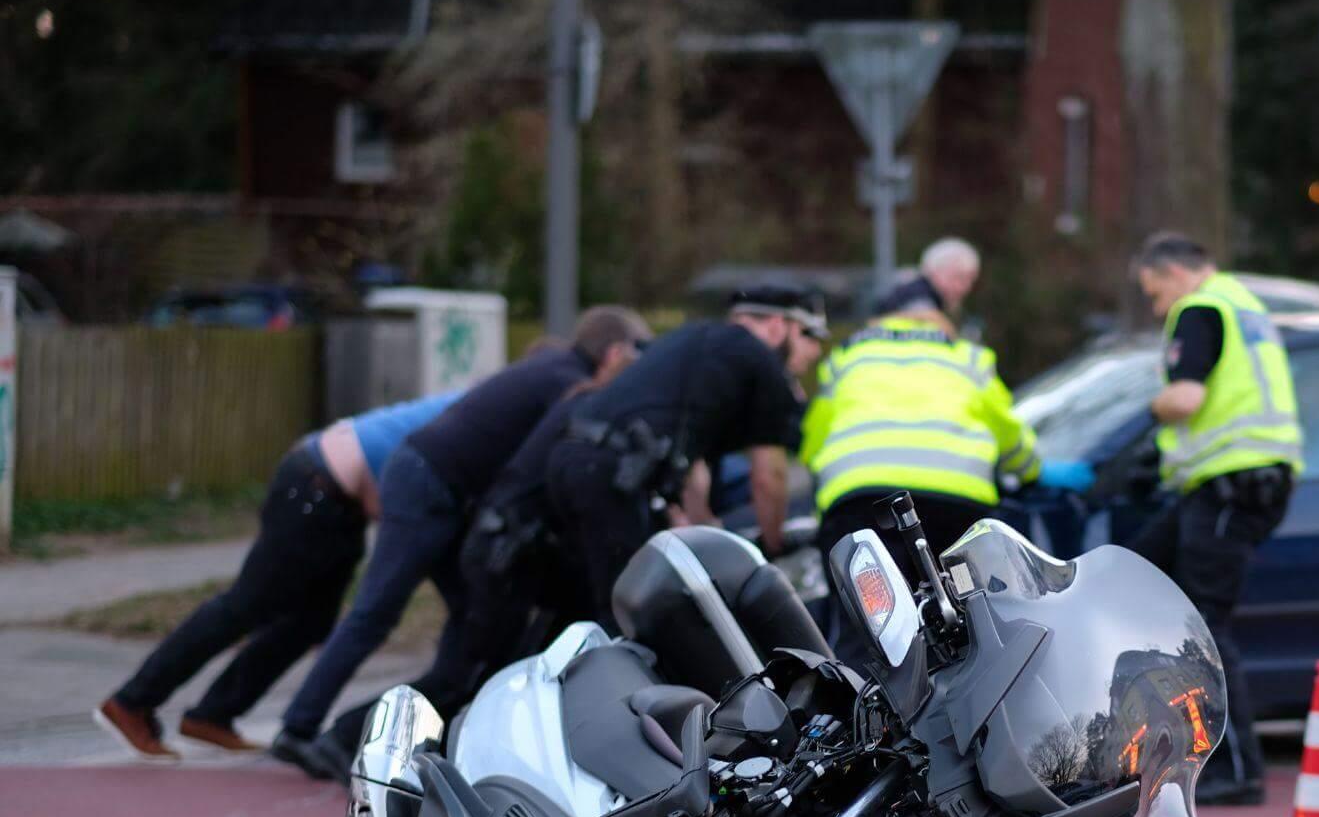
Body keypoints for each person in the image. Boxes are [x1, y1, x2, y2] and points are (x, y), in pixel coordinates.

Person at [270, 305, 649, 779]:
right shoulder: (565, 384)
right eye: (639, 353)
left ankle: (424, 725)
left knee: (471, 630)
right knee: (377, 611)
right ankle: (301, 728)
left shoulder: (554, 370)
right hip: (428, 483)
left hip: (441, 488)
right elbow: (536, 465)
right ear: (614, 353)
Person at [91, 389, 464, 761]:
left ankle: (213, 715)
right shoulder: (494, 411)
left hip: (335, 496)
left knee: (310, 622)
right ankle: (131, 702)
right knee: (246, 604)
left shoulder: (486, 403)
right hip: (315, 486)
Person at [1127, 231, 1303, 806]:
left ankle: (1238, 769)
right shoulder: (1244, 304)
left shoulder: (1198, 307)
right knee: (1139, 574)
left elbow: (1184, 400)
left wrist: (1145, 407)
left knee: (1203, 628)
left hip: (1229, 486)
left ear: (1176, 274)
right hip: (1239, 482)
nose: (1158, 309)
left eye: (1155, 295)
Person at [544, 287, 825, 625]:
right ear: (780, 326)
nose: (817, 350)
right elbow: (769, 476)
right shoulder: (761, 361)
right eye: (808, 334)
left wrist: (705, 526)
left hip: (569, 462)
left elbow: (691, 461)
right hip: (611, 477)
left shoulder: (691, 341)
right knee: (632, 616)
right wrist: (772, 546)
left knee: (585, 609)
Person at [803, 293, 1074, 565]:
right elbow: (1007, 432)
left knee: (864, 597)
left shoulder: (845, 358)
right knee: (963, 591)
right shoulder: (967, 357)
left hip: (858, 492)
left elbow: (815, 439)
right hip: (957, 492)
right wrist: (1030, 471)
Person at [875, 237, 980, 319]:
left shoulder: (907, 289)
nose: (965, 287)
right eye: (958, 277)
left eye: (971, 280)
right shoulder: (919, 298)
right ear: (934, 270)